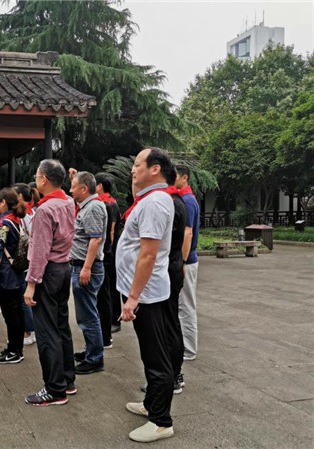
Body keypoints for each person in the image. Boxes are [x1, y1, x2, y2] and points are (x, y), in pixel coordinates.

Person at [117, 147, 176, 442]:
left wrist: (133, 298)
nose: (132, 169)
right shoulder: (148, 198)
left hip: (146, 295)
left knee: (156, 358)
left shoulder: (154, 203)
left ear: (155, 169)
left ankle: (161, 421)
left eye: (137, 164)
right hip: (143, 292)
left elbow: (148, 255)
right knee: (149, 353)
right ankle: (151, 404)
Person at [23, 159, 76, 406]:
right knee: (62, 325)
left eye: (37, 176)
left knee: (47, 331)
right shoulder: (68, 202)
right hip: (63, 269)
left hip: (47, 271)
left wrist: (31, 283)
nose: (36, 180)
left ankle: (55, 389)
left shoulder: (45, 210)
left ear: (44, 179)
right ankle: (67, 380)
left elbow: (40, 250)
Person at [140, 167, 186, 395]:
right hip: (172, 264)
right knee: (170, 322)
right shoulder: (174, 200)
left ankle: (172, 375)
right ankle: (171, 375)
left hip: (167, 267)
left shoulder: (167, 202)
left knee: (167, 324)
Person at [68, 169, 107, 375]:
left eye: (73, 187)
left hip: (86, 266)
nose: (70, 190)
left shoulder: (92, 208)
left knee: (88, 316)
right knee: (87, 314)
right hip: (82, 265)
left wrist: (86, 268)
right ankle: (91, 351)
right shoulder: (88, 205)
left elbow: (95, 239)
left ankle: (95, 359)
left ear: (84, 189)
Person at [0, 187, 27, 364]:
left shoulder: (3, 224)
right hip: (15, 273)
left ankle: (13, 352)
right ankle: (16, 349)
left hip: (5, 275)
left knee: (11, 315)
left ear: (4, 202)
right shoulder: (16, 220)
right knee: (17, 312)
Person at [175, 165, 200, 362]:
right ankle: (183, 345)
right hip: (185, 260)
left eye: (175, 176)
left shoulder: (188, 200)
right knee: (181, 304)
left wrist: (182, 261)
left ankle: (189, 349)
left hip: (187, 260)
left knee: (186, 305)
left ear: (184, 178)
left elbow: (188, 232)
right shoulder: (184, 198)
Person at [94, 172, 121, 348]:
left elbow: (110, 230)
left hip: (108, 252)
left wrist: (105, 249)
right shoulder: (112, 202)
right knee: (111, 287)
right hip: (111, 250)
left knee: (107, 289)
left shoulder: (106, 204)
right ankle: (113, 318)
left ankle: (113, 320)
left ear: (100, 186)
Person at [13, 183, 37, 346]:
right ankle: (31, 330)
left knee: (23, 299)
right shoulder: (34, 212)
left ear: (20, 196)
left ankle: (28, 331)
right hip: (32, 259)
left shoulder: (22, 216)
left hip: (24, 261)